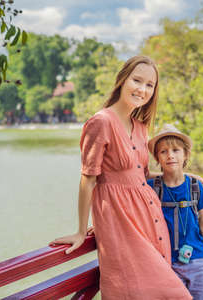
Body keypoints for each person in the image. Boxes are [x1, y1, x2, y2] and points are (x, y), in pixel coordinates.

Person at [50, 56, 192, 299]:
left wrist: (182, 175)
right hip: (120, 223)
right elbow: (88, 179)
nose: (142, 89)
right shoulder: (101, 122)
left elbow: (141, 175)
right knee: (167, 293)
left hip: (151, 219)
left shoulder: (140, 126)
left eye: (150, 85)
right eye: (137, 80)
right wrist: (81, 231)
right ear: (122, 79)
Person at [147, 124, 203, 300]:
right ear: (157, 157)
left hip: (198, 260)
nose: (170, 155)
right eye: (163, 151)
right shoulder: (152, 188)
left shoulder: (195, 186)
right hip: (167, 263)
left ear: (185, 154)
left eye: (175, 150)